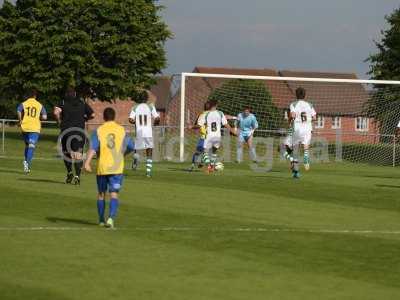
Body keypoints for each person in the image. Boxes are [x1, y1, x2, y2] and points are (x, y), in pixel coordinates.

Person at [84, 107, 134, 228]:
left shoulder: (99, 130)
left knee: (101, 194)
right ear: (114, 117)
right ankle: (111, 218)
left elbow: (93, 148)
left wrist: (87, 162)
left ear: (104, 117)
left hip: (103, 167)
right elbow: (131, 146)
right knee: (114, 194)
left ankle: (101, 220)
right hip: (117, 167)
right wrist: (123, 154)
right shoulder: (122, 130)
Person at [54, 87, 95, 185]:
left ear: (66, 94)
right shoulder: (82, 103)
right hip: (79, 132)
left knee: (66, 153)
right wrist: (85, 118)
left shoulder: (63, 102)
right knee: (78, 154)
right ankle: (77, 176)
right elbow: (92, 114)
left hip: (66, 131)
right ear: (75, 94)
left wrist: (59, 121)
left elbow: (56, 112)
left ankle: (69, 172)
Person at [284, 87, 316, 178]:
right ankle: (305, 157)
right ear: (305, 95)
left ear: (296, 95)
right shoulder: (310, 105)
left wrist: (289, 121)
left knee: (290, 150)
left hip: (296, 128)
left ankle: (295, 170)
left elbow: (292, 115)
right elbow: (314, 118)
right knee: (305, 146)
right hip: (307, 128)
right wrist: (308, 121)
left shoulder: (293, 104)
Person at [197, 99, 237, 172]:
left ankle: (209, 166)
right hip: (217, 136)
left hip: (209, 136)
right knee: (214, 152)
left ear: (209, 105)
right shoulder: (220, 113)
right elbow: (226, 124)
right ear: (216, 105)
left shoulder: (205, 114)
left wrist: (192, 127)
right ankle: (212, 167)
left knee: (205, 152)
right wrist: (233, 132)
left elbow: (199, 125)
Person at [17, 90, 47, 173]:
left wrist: (20, 120)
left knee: (27, 145)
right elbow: (44, 117)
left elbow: (18, 110)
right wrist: (38, 118)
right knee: (31, 146)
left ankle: (26, 164)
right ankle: (27, 163)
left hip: (25, 127)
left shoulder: (24, 103)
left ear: (28, 96)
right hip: (34, 128)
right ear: (35, 96)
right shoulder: (39, 105)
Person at [128, 96, 160, 177]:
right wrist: (156, 123)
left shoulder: (135, 107)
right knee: (149, 152)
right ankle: (148, 172)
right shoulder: (151, 106)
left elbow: (130, 119)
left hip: (139, 132)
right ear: (146, 99)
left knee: (137, 150)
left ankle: (135, 161)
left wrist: (136, 122)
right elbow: (157, 118)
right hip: (148, 133)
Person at [190, 102, 210, 171]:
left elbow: (198, 125)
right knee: (206, 152)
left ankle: (193, 165)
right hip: (213, 137)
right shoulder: (213, 114)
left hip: (204, 137)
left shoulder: (202, 115)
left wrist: (192, 127)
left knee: (198, 152)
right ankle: (202, 162)